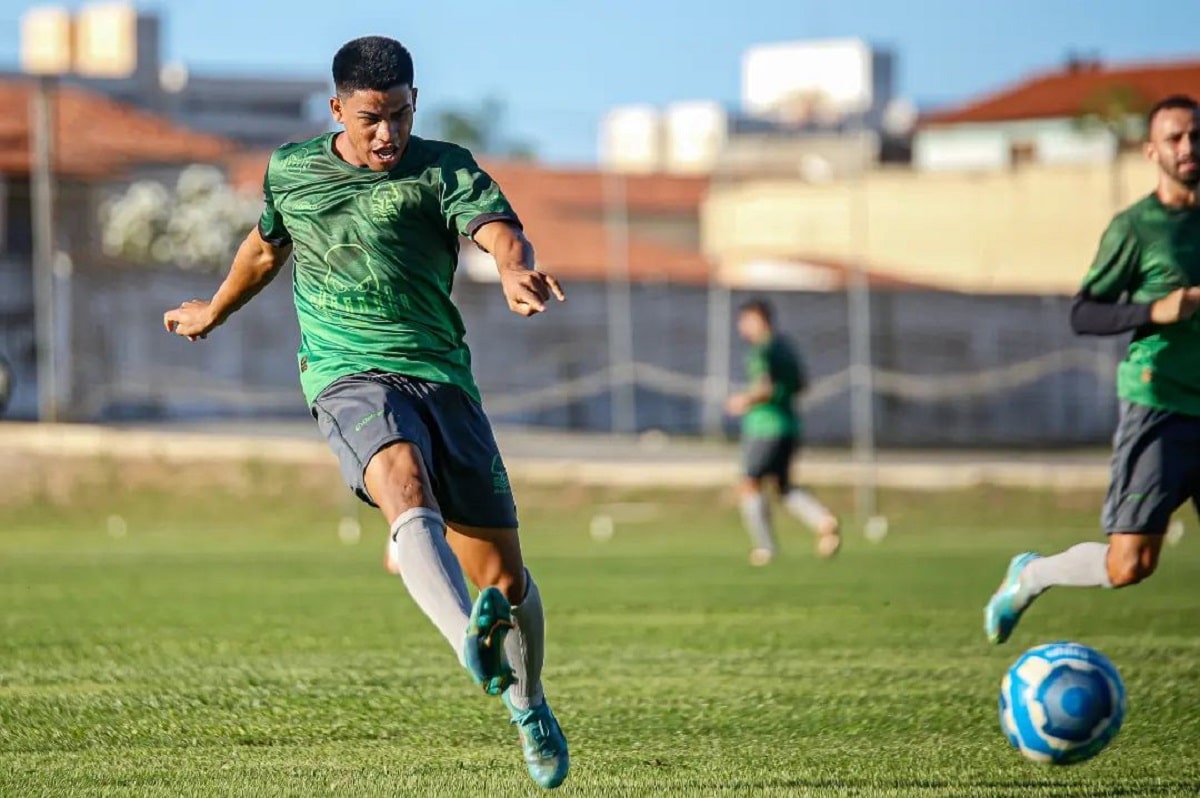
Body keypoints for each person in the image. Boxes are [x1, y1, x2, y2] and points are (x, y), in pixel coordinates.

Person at [163, 36, 570, 788]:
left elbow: (498, 231)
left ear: (416, 105)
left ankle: (531, 704)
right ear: (337, 110)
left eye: (401, 117)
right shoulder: (293, 170)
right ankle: (469, 651)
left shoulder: (444, 166)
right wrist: (213, 311)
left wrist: (515, 272)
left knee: (506, 584)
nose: (388, 134)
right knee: (401, 483)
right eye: (371, 119)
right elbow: (264, 247)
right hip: (347, 375)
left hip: (441, 379)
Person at [985, 94, 1200, 645]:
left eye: (1196, 136)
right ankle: (1033, 574)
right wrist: (1155, 310)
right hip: (1162, 405)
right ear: (1152, 150)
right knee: (1131, 564)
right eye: (1175, 138)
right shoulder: (1136, 227)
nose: (1188, 147)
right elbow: (1085, 311)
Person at [725, 298, 840, 566]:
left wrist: (744, 400)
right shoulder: (786, 347)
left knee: (749, 484)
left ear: (758, 319)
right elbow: (801, 384)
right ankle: (822, 520)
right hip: (789, 426)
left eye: (745, 320)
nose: (741, 327)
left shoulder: (762, 351)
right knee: (782, 485)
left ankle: (765, 548)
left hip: (765, 427)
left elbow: (764, 387)